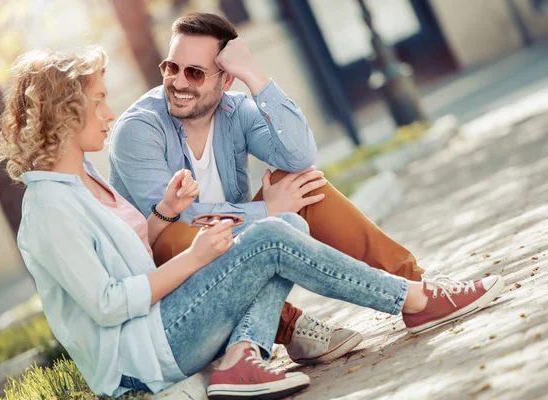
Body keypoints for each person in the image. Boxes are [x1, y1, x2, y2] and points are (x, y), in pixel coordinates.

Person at [0, 46, 505, 400]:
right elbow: (107, 304)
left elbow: (131, 251)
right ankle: (413, 300)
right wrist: (196, 256)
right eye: (98, 99)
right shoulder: (49, 212)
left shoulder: (83, 177)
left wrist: (165, 214)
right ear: (65, 112)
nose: (108, 110)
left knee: (286, 231)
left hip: (166, 323)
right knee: (275, 236)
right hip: (140, 359)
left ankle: (243, 357)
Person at [108, 13, 426, 364]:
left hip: (231, 241)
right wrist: (267, 212)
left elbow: (300, 156)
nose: (178, 82)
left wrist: (256, 77)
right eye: (172, 67)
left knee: (301, 185)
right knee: (180, 235)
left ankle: (418, 285)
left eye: (195, 72)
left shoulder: (236, 110)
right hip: (164, 269)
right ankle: (291, 326)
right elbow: (175, 216)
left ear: (226, 79)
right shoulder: (139, 130)